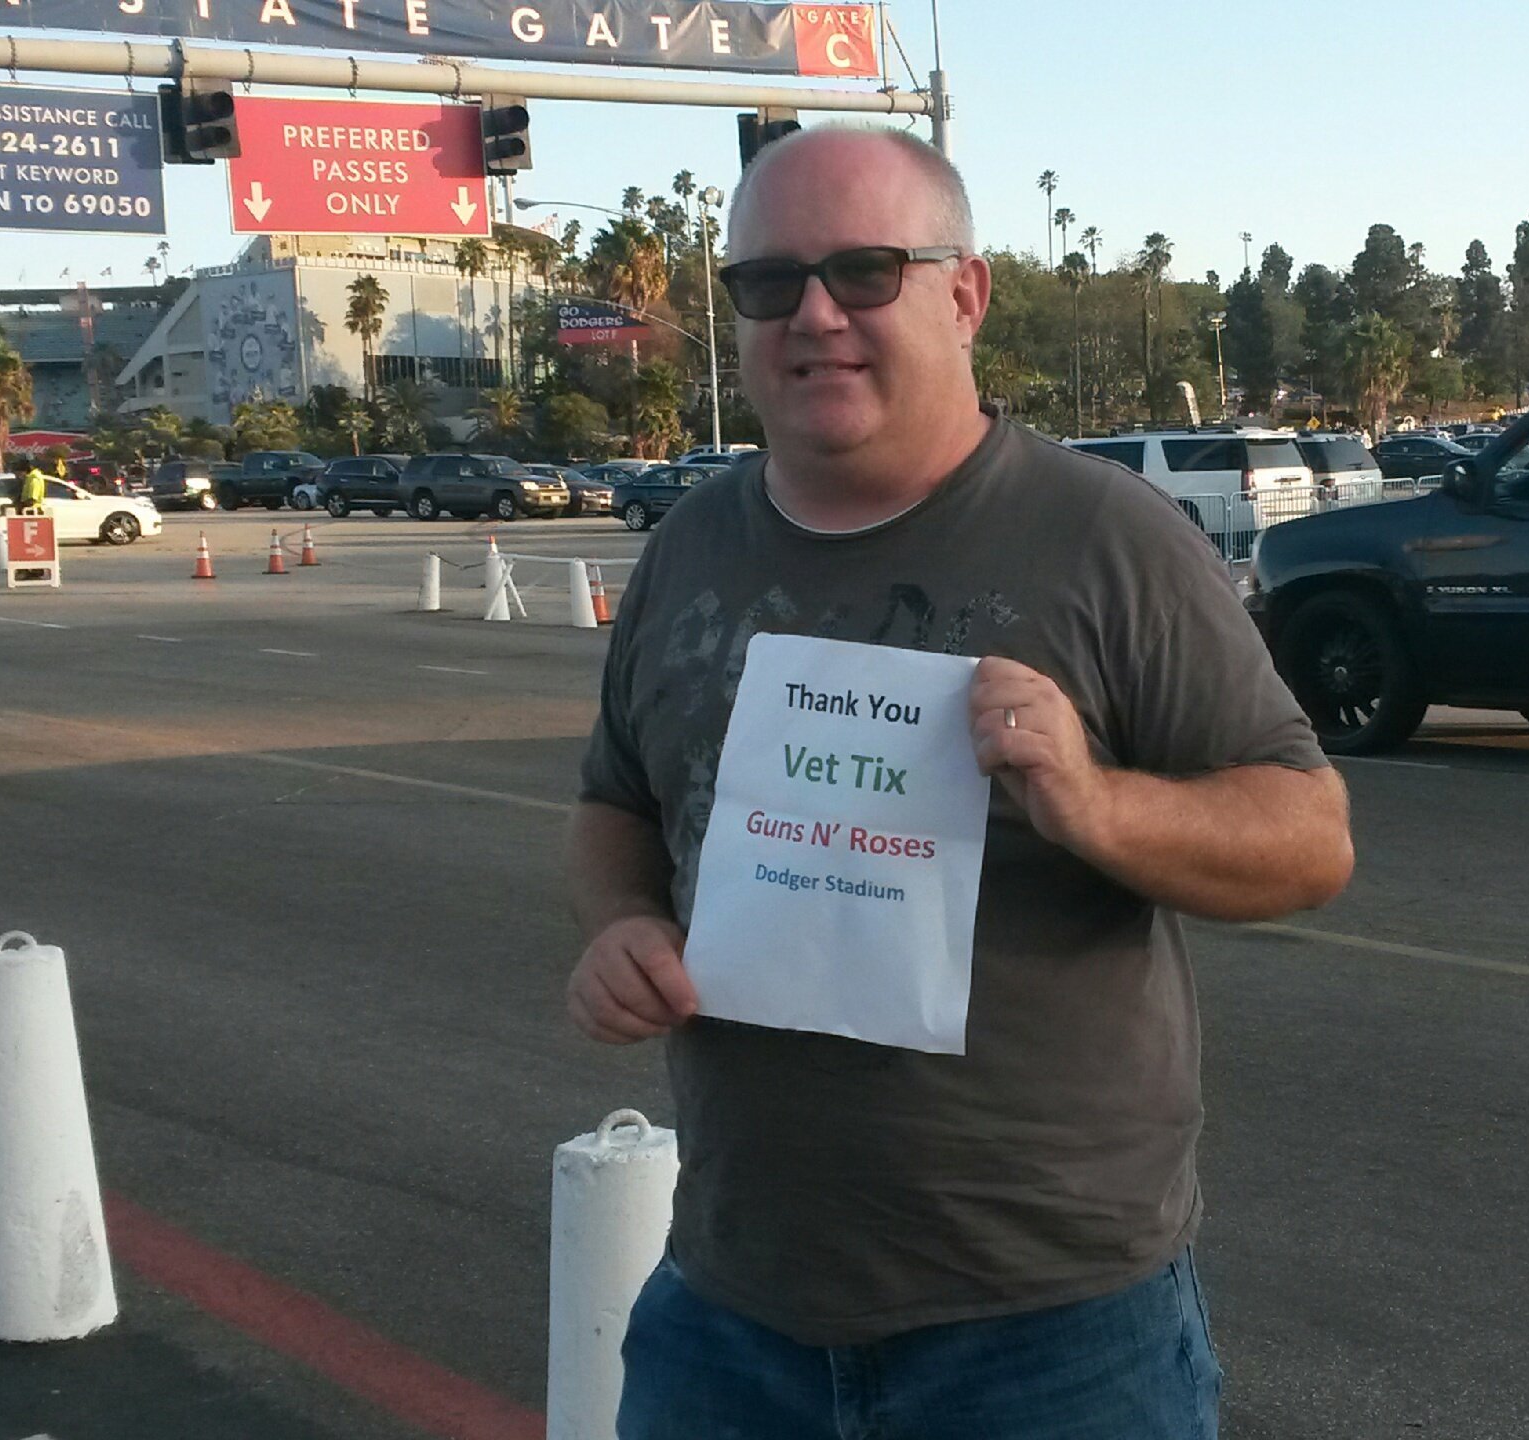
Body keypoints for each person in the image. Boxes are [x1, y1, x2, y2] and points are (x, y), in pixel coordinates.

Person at [565, 126, 1354, 1440]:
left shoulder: (1105, 539)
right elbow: (616, 805)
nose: (816, 315)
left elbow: (1310, 837)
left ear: (966, 294)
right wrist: (623, 924)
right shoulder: (691, 547)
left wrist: (1094, 801)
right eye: (770, 282)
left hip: (1050, 1341)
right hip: (731, 1315)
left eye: (865, 271)